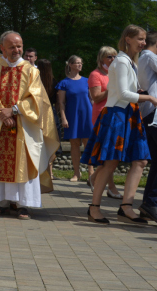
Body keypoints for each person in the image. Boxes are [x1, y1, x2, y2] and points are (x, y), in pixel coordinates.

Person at [0, 31, 59, 220]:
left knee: (23, 161)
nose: (17, 50)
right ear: (2, 48)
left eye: (19, 46)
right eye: (12, 47)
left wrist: (14, 110)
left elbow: (37, 99)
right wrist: (2, 114)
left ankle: (23, 204)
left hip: (24, 125)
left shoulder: (31, 71)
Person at [82, 25, 156, 225]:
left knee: (140, 161)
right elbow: (122, 94)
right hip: (118, 114)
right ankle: (94, 207)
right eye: (140, 39)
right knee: (110, 163)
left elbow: (124, 90)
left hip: (129, 114)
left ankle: (126, 207)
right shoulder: (122, 61)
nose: (143, 43)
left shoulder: (130, 62)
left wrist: (138, 91)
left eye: (144, 39)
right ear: (128, 39)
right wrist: (149, 96)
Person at [87, 47, 121, 198]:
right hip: (102, 116)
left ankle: (95, 178)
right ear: (101, 59)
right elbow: (96, 97)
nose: (113, 59)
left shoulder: (114, 74)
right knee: (108, 153)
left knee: (112, 152)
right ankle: (110, 186)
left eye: (115, 56)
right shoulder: (95, 74)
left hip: (115, 115)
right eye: (109, 57)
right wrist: (112, 88)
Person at [56, 56, 93, 182]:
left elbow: (92, 99)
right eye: (77, 63)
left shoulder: (88, 81)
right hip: (72, 116)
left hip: (87, 115)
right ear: (70, 65)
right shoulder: (64, 83)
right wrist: (63, 118)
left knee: (88, 144)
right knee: (74, 145)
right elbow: (61, 103)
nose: (79, 65)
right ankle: (76, 173)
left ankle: (91, 173)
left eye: (80, 63)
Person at [138, 31, 157, 222]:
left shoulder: (143, 59)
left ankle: (149, 203)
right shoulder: (150, 57)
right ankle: (151, 202)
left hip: (148, 113)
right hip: (154, 113)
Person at [36, 59, 60, 180]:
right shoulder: (54, 82)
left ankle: (40, 170)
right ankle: (50, 172)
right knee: (50, 140)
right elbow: (57, 101)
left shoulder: (35, 80)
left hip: (38, 113)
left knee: (39, 141)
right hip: (51, 113)